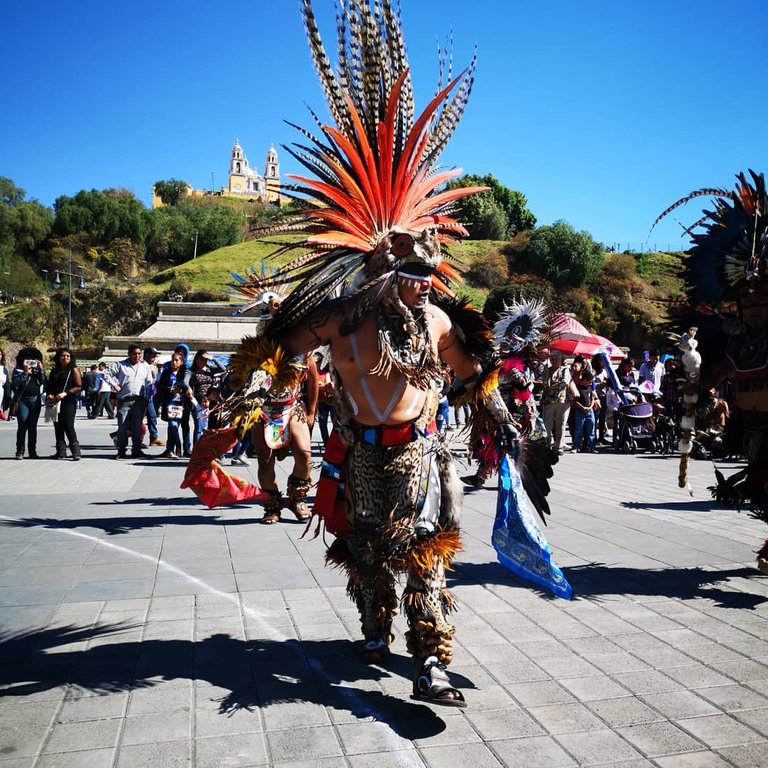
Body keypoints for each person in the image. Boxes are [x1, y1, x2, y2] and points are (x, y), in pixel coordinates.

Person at [107, 344, 155, 459]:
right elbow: (105, 374)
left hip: (139, 401)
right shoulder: (120, 365)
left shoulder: (145, 366)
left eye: (139, 354)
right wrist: (114, 385)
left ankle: (136, 450)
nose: (137, 356)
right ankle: (121, 451)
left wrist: (147, 398)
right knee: (122, 427)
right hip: (124, 400)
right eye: (134, 354)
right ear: (129, 354)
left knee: (137, 427)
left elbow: (149, 383)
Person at [45, 348, 83, 460]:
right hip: (55, 402)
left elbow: (79, 386)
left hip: (68, 401)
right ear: (58, 357)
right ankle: (61, 452)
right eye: (62, 356)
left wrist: (65, 393)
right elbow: (50, 386)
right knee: (58, 427)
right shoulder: (54, 371)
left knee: (68, 426)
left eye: (67, 356)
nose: (65, 358)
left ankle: (76, 452)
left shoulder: (74, 370)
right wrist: (49, 394)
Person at [10, 348, 46, 459]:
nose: (30, 361)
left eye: (33, 359)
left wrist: (40, 370)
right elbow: (15, 384)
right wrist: (25, 372)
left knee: (32, 427)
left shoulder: (37, 370)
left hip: (35, 400)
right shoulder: (18, 371)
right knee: (22, 426)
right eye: (27, 359)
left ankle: (32, 451)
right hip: (22, 401)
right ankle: (20, 451)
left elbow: (43, 381)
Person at [156, 352, 191, 459]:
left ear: (181, 362)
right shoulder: (166, 373)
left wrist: (180, 387)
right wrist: (169, 390)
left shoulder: (184, 373)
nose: (174, 362)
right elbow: (160, 387)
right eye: (173, 360)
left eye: (176, 360)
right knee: (173, 426)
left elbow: (186, 384)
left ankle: (176, 447)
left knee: (175, 427)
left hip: (181, 404)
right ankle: (172, 449)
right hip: (170, 403)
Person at [188, 350, 226, 447]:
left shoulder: (210, 369)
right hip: (199, 401)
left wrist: (212, 358)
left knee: (211, 427)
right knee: (198, 427)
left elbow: (223, 369)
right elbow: (185, 381)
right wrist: (188, 389)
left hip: (212, 401)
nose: (203, 362)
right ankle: (197, 450)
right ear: (196, 360)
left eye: (205, 360)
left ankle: (209, 448)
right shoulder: (192, 371)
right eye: (201, 360)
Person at [540, 350, 572, 454]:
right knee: (547, 424)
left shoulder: (565, 370)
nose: (554, 361)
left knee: (561, 424)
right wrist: (553, 386)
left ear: (560, 360)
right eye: (552, 359)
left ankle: (559, 447)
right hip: (548, 401)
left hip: (562, 400)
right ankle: (548, 445)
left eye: (556, 359)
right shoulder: (546, 370)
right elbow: (544, 384)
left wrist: (552, 386)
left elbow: (565, 383)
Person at [570, 368, 599, 452]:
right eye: (589, 382)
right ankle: (576, 446)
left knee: (591, 430)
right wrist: (582, 407)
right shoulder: (578, 388)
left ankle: (592, 447)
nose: (590, 384)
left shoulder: (589, 388)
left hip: (590, 411)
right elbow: (574, 401)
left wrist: (590, 407)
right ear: (585, 380)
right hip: (580, 411)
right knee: (578, 430)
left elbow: (593, 398)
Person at [143, 347, 165, 447]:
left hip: (150, 396)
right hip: (141, 397)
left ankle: (154, 437)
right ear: (147, 355)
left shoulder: (151, 366)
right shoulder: (141, 366)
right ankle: (119, 435)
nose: (154, 358)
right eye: (153, 355)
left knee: (152, 417)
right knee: (137, 420)